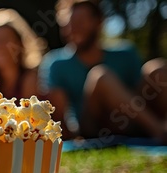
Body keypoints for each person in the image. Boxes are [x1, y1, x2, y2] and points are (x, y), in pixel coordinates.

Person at [39, 0, 167, 141]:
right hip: (93, 127)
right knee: (100, 76)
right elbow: (59, 117)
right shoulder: (56, 63)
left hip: (131, 121)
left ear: (98, 22)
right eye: (67, 24)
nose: (73, 28)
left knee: (158, 69)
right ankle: (160, 132)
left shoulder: (125, 54)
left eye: (80, 22)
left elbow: (141, 94)